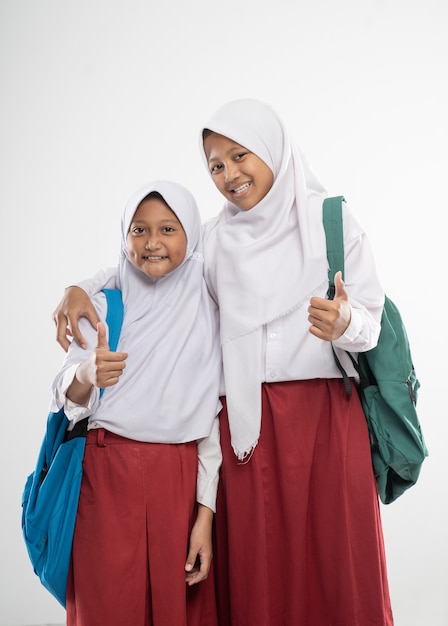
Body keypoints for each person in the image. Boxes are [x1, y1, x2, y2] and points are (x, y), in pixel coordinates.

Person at [52, 100, 394, 625]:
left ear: (274, 149)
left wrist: (346, 325)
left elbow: (371, 326)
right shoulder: (213, 238)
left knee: (335, 563)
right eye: (215, 165)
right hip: (246, 426)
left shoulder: (332, 221)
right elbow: (149, 260)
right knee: (259, 570)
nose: (230, 175)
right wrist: (81, 286)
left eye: (240, 155)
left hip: (327, 422)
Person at [50, 180, 222, 626]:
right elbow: (67, 397)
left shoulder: (209, 305)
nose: (152, 243)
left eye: (168, 228)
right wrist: (87, 375)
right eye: (139, 230)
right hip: (106, 476)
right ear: (124, 237)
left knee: (174, 610)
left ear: (192, 235)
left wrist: (205, 515)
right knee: (105, 607)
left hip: (178, 477)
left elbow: (212, 419)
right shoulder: (105, 305)